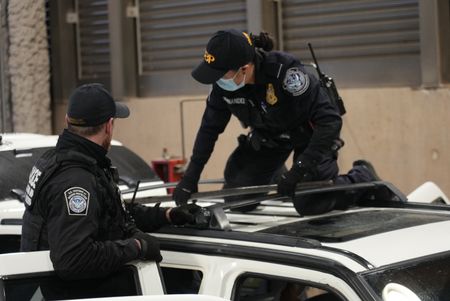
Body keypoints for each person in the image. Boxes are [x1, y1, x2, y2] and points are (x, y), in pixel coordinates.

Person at [173, 29, 380, 214]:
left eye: (220, 74)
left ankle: (362, 177)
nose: (216, 80)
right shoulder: (223, 86)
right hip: (269, 137)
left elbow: (330, 123)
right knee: (239, 200)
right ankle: (274, 171)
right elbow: (210, 128)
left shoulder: (287, 74)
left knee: (310, 202)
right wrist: (191, 176)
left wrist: (299, 170)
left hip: (309, 137)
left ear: (244, 68)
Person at [20, 83, 200, 280]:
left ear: (67, 121)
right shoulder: (76, 181)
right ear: (109, 125)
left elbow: (109, 215)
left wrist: (167, 215)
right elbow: (73, 259)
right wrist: (137, 247)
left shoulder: (57, 160)